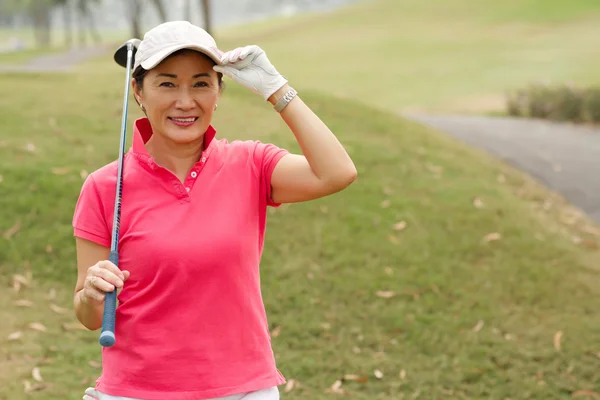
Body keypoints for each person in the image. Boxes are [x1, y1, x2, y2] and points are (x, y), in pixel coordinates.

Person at [73, 20, 357, 400]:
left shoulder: (251, 163)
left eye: (202, 83)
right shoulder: (105, 186)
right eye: (167, 83)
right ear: (138, 90)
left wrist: (277, 90)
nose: (185, 101)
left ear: (219, 91)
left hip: (243, 390)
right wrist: (91, 295)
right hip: (137, 391)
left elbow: (337, 173)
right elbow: (90, 318)